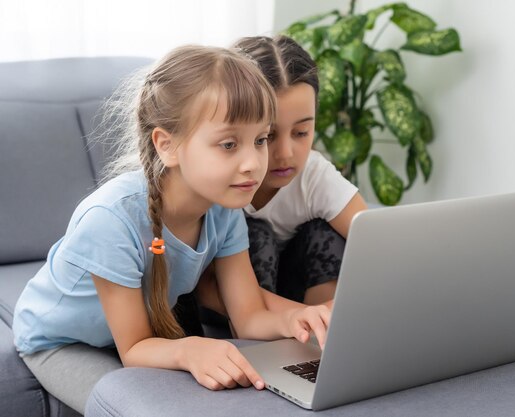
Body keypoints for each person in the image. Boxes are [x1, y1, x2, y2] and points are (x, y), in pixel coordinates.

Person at [12, 45, 330, 414]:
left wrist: (295, 318)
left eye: (260, 140)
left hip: (131, 337)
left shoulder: (224, 209)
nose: (253, 163)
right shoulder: (110, 221)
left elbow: (248, 317)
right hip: (62, 343)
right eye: (229, 144)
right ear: (167, 145)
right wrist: (190, 348)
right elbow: (133, 349)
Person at [196, 35, 368, 323]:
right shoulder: (213, 178)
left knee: (325, 234)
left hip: (295, 300)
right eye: (268, 136)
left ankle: (319, 339)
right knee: (256, 236)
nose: (286, 154)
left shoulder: (314, 176)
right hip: (227, 304)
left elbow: (380, 246)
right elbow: (199, 285)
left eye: (301, 133)